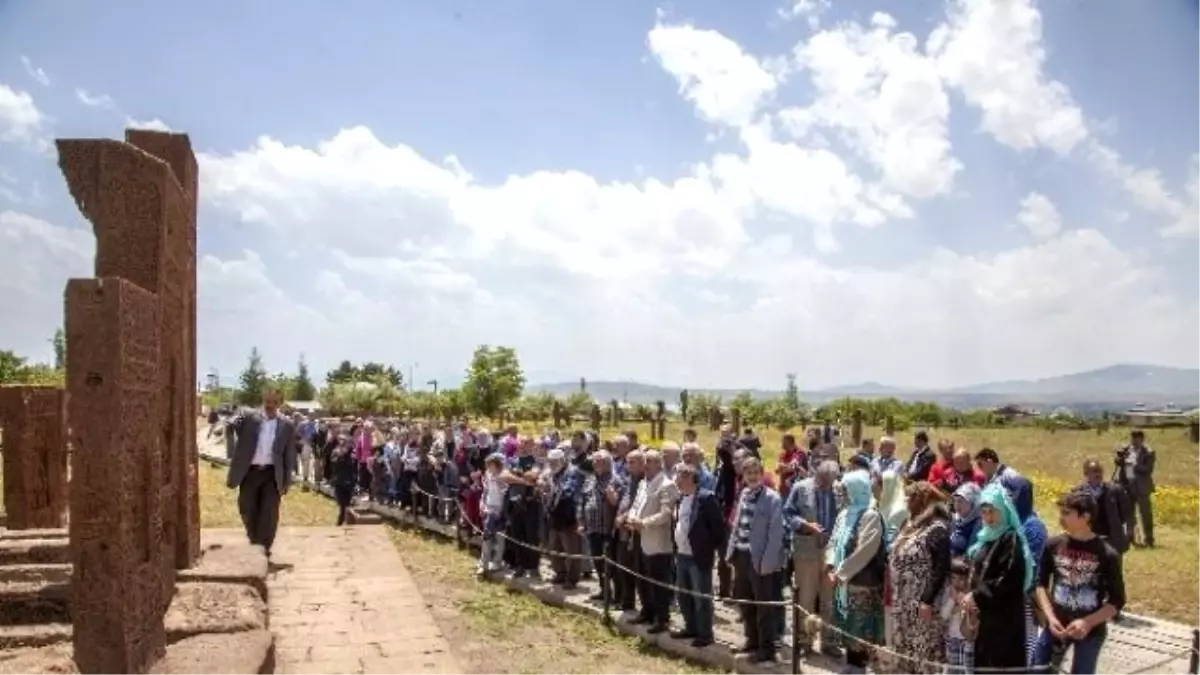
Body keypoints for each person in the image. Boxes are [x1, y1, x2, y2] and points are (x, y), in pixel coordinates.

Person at [1033, 489, 1126, 675]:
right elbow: (1040, 584)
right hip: (1056, 625)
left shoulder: (1107, 554)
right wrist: (1050, 618)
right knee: (1037, 670)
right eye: (1061, 512)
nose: (1061, 517)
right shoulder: (1053, 545)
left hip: (1090, 631)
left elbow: (1117, 601)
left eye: (1067, 513)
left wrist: (1087, 622)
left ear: (1085, 516)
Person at [964, 483, 1033, 671]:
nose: (988, 517)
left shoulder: (1010, 539)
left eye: (993, 511)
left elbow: (1007, 579)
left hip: (1004, 620)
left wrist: (977, 595)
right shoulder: (985, 538)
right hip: (985, 618)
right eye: (984, 511)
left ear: (1003, 510)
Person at [725, 457, 786, 664]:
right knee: (745, 601)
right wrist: (730, 552)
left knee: (763, 606)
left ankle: (766, 648)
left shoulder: (772, 498)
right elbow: (736, 526)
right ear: (743, 475)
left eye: (755, 473)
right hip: (741, 556)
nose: (752, 477)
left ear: (762, 474)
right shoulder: (743, 494)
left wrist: (766, 564)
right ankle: (752, 640)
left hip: (759, 560)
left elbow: (775, 534)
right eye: (748, 473)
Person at [825, 470, 885, 675]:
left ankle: (859, 667)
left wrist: (842, 573)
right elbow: (834, 540)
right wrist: (831, 564)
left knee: (861, 626)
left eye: (847, 490)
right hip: (842, 581)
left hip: (862, 582)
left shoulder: (871, 515)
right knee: (847, 623)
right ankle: (850, 664)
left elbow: (865, 549)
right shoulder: (844, 513)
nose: (844, 494)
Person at [225, 389, 297, 558]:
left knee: (269, 512)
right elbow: (233, 422)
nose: (270, 405)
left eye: (274, 402)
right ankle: (254, 540)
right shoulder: (249, 417)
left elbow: (289, 454)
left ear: (280, 403)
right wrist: (231, 424)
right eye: (267, 401)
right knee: (247, 507)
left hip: (272, 474)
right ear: (263, 400)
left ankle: (263, 548)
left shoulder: (286, 425)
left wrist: (286, 481)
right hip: (250, 472)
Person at [889, 481, 951, 675]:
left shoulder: (937, 529)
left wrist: (927, 600)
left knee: (923, 652)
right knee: (904, 649)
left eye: (910, 498)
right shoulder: (911, 525)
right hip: (904, 601)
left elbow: (941, 568)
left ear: (922, 501)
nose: (907, 503)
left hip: (922, 604)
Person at [783, 459, 840, 654]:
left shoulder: (838, 490)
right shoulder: (800, 488)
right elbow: (788, 514)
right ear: (815, 473)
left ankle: (829, 642)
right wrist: (806, 526)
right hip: (806, 551)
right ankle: (804, 641)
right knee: (805, 598)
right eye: (822, 479)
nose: (825, 484)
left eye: (830, 480)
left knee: (829, 600)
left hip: (832, 553)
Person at [670, 463, 726, 648]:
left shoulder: (706, 498)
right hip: (682, 554)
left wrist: (711, 550)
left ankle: (704, 634)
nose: (676, 481)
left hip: (698, 556)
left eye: (679, 477)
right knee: (683, 594)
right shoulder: (680, 498)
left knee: (701, 597)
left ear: (688, 478)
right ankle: (690, 627)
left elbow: (718, 529)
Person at [626, 450, 678, 633]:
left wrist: (644, 523)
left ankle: (661, 618)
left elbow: (665, 514)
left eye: (649, 461)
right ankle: (646, 611)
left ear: (659, 464)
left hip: (657, 541)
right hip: (638, 536)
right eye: (644, 461)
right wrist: (632, 518)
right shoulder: (643, 483)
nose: (645, 465)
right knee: (641, 577)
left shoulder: (667, 485)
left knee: (658, 582)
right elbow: (635, 505)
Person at [1079, 458, 1131, 554]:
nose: (1098, 474)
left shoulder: (1115, 490)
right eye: (1094, 471)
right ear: (1086, 473)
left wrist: (1115, 523)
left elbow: (1125, 512)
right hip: (1088, 538)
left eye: (1100, 471)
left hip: (1111, 538)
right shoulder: (1078, 492)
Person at [1115, 429, 1155, 548]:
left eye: (1136, 438)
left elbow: (1148, 469)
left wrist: (1134, 465)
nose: (1134, 441)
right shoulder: (1127, 450)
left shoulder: (1148, 452)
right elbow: (1118, 463)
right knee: (1129, 515)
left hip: (1142, 488)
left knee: (1145, 514)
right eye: (1132, 438)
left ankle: (1149, 539)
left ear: (1142, 439)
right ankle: (1130, 538)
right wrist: (1120, 458)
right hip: (1128, 486)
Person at [941, 558, 978, 674]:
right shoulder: (949, 592)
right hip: (953, 639)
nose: (957, 582)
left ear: (968, 578)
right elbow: (944, 615)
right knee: (953, 670)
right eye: (953, 578)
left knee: (968, 670)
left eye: (961, 579)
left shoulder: (972, 594)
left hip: (968, 641)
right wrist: (953, 600)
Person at [477, 453, 508, 577]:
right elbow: (485, 492)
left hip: (501, 511)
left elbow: (506, 494)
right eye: (488, 465)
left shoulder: (504, 477)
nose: (489, 468)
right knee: (487, 538)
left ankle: (497, 562)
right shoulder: (487, 476)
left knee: (500, 539)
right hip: (489, 510)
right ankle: (483, 564)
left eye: (491, 465)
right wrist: (482, 503)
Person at [329, 435, 357, 526]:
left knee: (347, 505)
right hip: (339, 482)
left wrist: (349, 454)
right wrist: (342, 455)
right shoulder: (335, 452)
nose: (343, 442)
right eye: (341, 440)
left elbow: (353, 465)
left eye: (345, 440)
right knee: (342, 505)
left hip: (349, 482)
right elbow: (334, 464)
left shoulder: (351, 453)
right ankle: (340, 523)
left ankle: (347, 523)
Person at [949, 483, 982, 558]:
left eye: (960, 501)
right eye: (955, 501)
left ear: (973, 503)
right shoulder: (956, 519)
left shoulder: (978, 524)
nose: (956, 505)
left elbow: (970, 554)